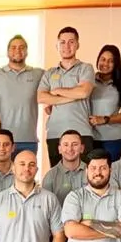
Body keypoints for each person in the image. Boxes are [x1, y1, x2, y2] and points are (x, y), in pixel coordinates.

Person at [41, 129, 86, 242]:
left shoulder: (90, 171)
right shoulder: (51, 176)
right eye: (66, 145)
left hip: (85, 226)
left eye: (75, 144)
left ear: (82, 148)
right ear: (59, 148)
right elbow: (44, 207)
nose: (70, 149)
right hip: (58, 228)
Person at [37, 27, 96, 165]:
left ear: (77, 45)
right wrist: (73, 95)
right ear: (57, 46)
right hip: (55, 133)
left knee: (85, 175)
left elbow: (83, 92)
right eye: (62, 42)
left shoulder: (86, 68)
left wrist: (57, 91)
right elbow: (41, 97)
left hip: (82, 132)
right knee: (58, 175)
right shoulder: (50, 73)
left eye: (71, 42)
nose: (67, 46)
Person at [0, 35, 44, 155]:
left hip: (29, 139)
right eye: (13, 47)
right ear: (7, 52)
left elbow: (54, 88)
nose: (18, 50)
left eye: (21, 47)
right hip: (4, 141)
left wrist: (50, 106)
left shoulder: (38, 74)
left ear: (27, 52)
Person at [88, 44, 121, 159]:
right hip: (90, 137)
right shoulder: (88, 81)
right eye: (103, 59)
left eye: (110, 61)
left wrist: (105, 119)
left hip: (113, 139)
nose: (105, 64)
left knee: (111, 169)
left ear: (116, 64)